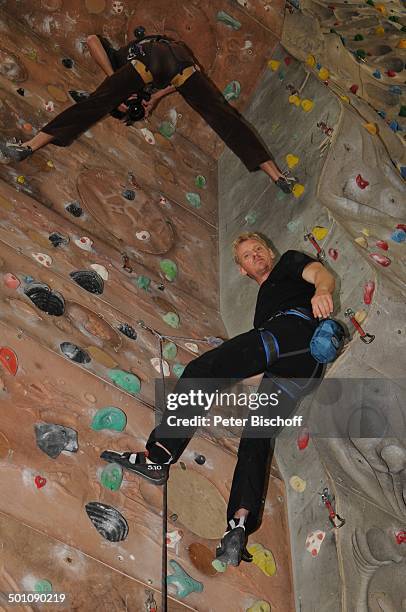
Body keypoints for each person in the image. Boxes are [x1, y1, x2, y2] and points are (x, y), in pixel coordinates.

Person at [101, 232, 336, 569]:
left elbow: (320, 275)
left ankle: (159, 455)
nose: (254, 255)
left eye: (258, 250)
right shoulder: (262, 311)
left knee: (202, 368)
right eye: (246, 256)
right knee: (256, 437)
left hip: (294, 332)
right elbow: (255, 369)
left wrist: (324, 291)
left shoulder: (289, 263)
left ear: (270, 252)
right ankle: (239, 522)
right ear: (242, 270)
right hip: (299, 370)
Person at [0, 32, 296, 193]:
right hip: (180, 66)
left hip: (150, 58)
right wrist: (154, 98)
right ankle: (278, 177)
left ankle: (28, 146)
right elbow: (180, 77)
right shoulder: (143, 91)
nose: (131, 105)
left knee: (92, 105)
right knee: (222, 116)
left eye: (127, 106)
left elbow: (90, 38)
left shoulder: (118, 67)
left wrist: (114, 79)